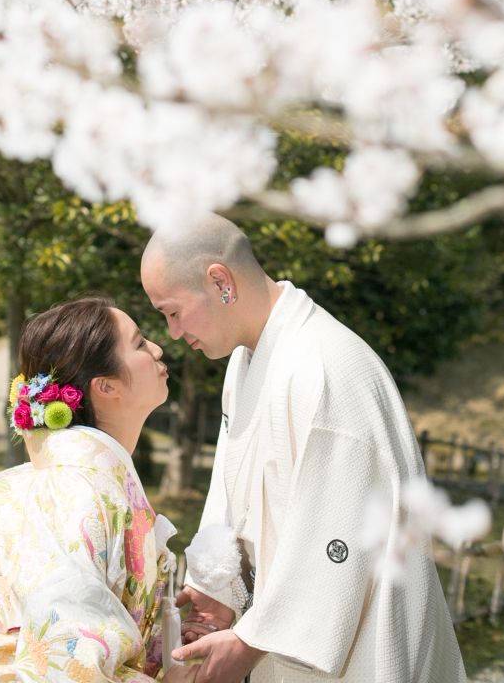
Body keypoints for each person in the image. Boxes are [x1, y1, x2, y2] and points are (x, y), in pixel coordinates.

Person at [141, 215, 466, 683]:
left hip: (360, 649)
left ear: (220, 282)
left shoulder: (323, 367)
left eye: (172, 311)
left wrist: (252, 641)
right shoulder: (246, 359)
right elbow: (234, 490)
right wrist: (217, 584)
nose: (171, 333)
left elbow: (340, 533)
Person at [0, 297, 189, 683]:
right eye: (139, 343)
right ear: (105, 385)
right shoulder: (70, 492)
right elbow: (65, 654)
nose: (157, 348)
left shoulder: (75, 483)